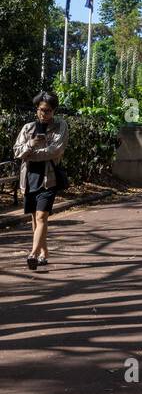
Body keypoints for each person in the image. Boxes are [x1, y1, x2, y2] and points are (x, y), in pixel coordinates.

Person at [13, 91, 69, 272]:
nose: (45, 114)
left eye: (49, 111)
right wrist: (31, 144)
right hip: (29, 178)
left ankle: (33, 254)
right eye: (42, 110)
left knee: (42, 216)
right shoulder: (28, 128)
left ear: (54, 111)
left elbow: (56, 150)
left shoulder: (60, 126)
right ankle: (44, 253)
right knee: (35, 220)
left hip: (49, 178)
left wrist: (30, 155)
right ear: (37, 109)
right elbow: (17, 152)